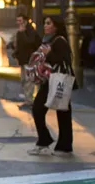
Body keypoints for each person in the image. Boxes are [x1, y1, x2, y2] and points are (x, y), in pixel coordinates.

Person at [29, 15, 74, 156]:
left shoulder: (60, 41)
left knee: (60, 112)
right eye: (45, 23)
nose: (46, 26)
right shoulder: (48, 40)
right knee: (41, 109)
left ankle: (61, 145)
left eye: (48, 23)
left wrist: (48, 54)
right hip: (49, 80)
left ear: (56, 26)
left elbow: (64, 61)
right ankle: (47, 141)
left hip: (58, 80)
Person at [10, 13, 42, 103]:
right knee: (24, 80)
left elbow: (30, 42)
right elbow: (19, 45)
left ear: (25, 21)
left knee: (29, 80)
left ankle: (29, 100)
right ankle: (27, 98)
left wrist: (22, 32)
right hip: (23, 59)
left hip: (29, 59)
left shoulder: (30, 30)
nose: (18, 22)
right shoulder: (20, 31)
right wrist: (15, 52)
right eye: (17, 21)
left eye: (20, 21)